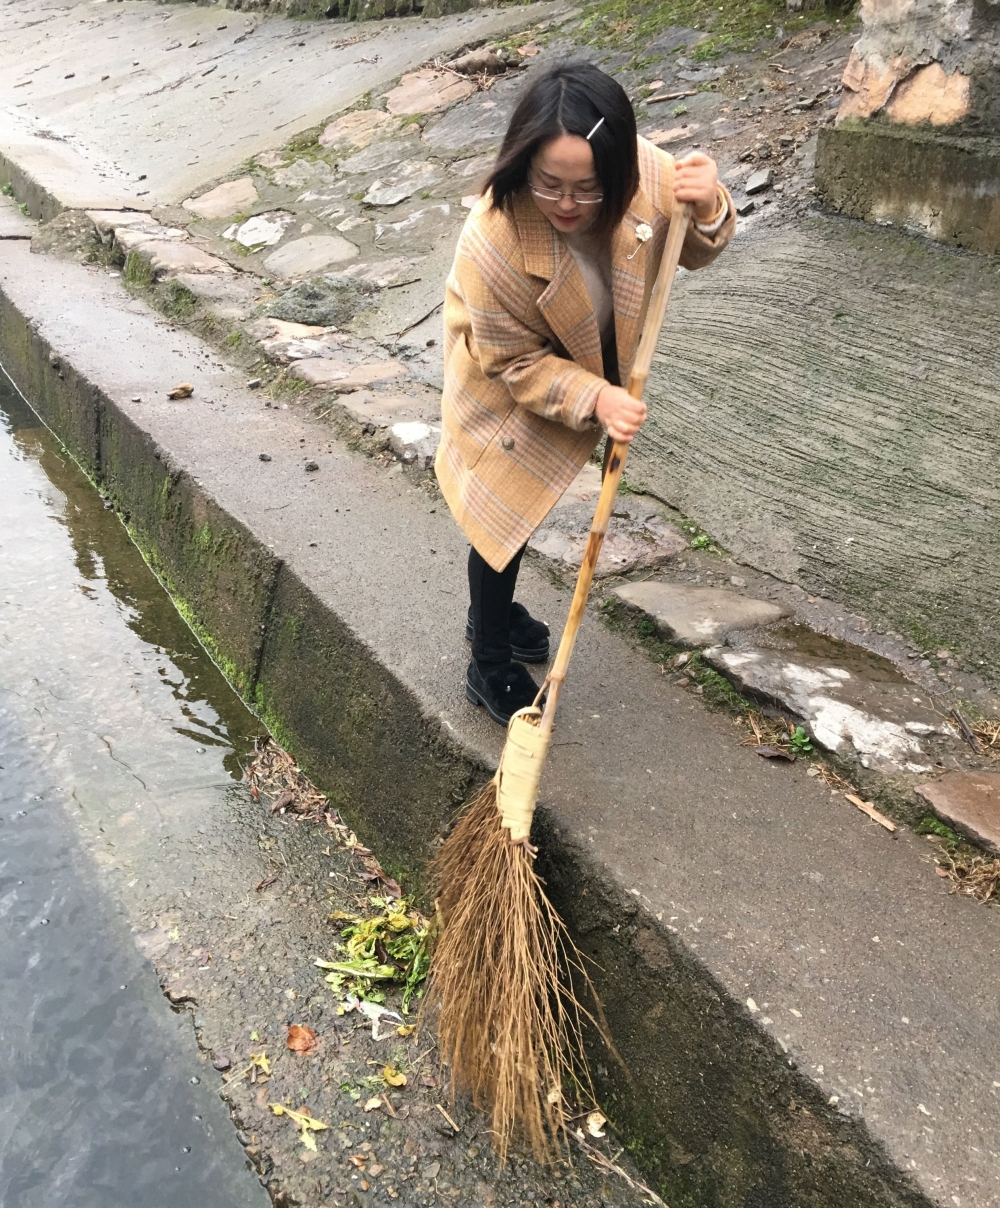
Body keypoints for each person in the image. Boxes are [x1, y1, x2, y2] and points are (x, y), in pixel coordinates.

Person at [435, 60, 735, 725]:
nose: (567, 204)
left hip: (592, 351)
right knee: (500, 515)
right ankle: (487, 661)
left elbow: (694, 247)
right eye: (549, 184)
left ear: (618, 171)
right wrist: (595, 399)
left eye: (587, 188)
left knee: (515, 522)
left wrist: (711, 205)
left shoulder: (648, 176)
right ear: (523, 164)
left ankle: (493, 614)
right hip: (504, 378)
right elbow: (513, 362)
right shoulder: (494, 239)